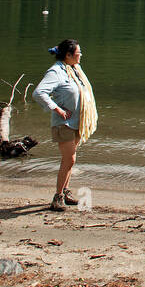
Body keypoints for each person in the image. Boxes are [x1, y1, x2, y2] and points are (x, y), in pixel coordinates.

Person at [32, 39, 98, 212]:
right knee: (70, 159)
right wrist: (57, 109)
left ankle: (65, 192)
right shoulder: (56, 72)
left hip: (77, 122)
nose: (81, 54)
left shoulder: (75, 69)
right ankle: (58, 197)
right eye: (78, 52)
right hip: (64, 124)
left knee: (68, 161)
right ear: (68, 55)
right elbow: (39, 93)